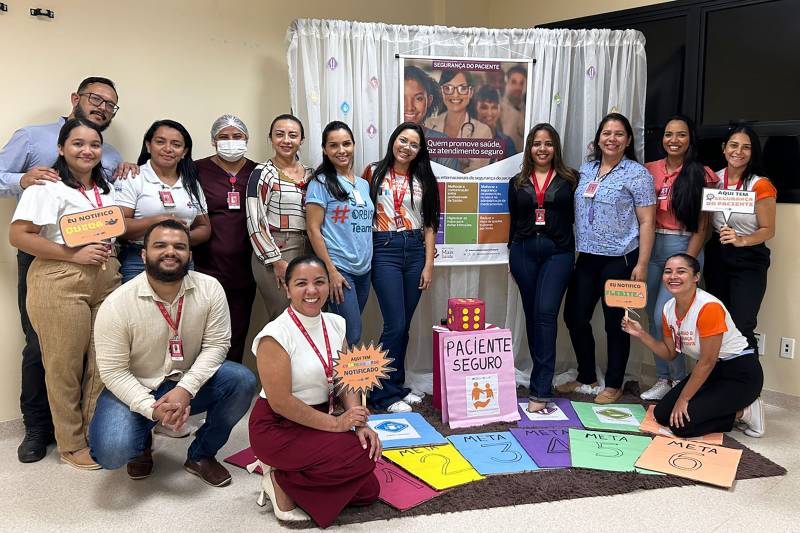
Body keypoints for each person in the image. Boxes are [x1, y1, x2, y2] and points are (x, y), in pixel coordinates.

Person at [0, 76, 135, 463]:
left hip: (105, 278)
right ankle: (70, 443)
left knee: (102, 361)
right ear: (61, 148)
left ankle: (94, 433)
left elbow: (120, 222)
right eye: (77, 144)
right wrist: (72, 255)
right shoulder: (46, 185)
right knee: (61, 364)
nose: (87, 150)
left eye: (94, 145)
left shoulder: (106, 189)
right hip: (59, 278)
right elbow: (19, 235)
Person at [89, 220, 257, 485]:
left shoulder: (210, 288)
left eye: (179, 246)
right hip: (137, 384)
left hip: (187, 380)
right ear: (144, 254)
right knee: (111, 452)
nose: (170, 252)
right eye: (160, 245)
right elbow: (114, 372)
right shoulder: (117, 304)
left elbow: (217, 345)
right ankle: (141, 443)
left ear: (189, 254)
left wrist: (185, 389)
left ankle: (201, 455)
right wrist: (152, 409)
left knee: (242, 380)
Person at [248, 255, 380, 526]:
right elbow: (281, 402)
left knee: (369, 489)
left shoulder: (335, 323)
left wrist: (358, 422)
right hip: (278, 425)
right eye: (301, 283)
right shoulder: (275, 334)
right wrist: (337, 425)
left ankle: (288, 475)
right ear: (287, 289)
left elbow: (344, 378)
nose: (312, 290)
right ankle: (279, 482)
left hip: (320, 415)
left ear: (329, 285)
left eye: (319, 282)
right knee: (358, 457)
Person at [559, 113, 656, 404]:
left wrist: (642, 263)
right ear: (598, 138)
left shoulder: (637, 174)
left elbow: (647, 222)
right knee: (574, 316)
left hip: (621, 259)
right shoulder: (586, 170)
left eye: (619, 134)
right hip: (587, 256)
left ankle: (614, 384)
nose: (612, 139)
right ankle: (587, 376)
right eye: (607, 133)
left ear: (628, 140)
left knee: (616, 324)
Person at [622, 253, 765, 438]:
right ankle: (727, 409)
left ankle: (745, 412)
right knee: (662, 414)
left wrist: (684, 399)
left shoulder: (709, 307)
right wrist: (641, 333)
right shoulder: (668, 308)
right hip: (712, 372)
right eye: (668, 271)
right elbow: (670, 354)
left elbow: (707, 361)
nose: (673, 276)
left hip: (740, 374)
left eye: (681, 271)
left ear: (696, 277)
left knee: (681, 426)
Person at [640, 115, 719, 401]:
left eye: (681, 134)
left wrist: (685, 262)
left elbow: (703, 227)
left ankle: (679, 380)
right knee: (652, 316)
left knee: (667, 316)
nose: (674, 140)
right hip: (652, 247)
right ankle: (664, 378)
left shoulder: (703, 174)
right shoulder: (649, 170)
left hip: (684, 246)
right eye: (669, 134)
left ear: (690, 139)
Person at [362, 122, 440, 413]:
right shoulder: (372, 172)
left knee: (404, 325)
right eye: (403, 140)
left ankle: (396, 385)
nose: (406, 147)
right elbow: (361, 213)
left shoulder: (424, 178)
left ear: (420, 150)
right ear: (393, 140)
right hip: (384, 249)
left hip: (415, 250)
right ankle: (380, 393)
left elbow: (430, 224)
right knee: (394, 324)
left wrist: (429, 264)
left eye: (414, 144)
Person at [508, 124, 577, 412]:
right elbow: (513, 219)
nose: (542, 149)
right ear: (529, 148)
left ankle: (540, 390)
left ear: (555, 148)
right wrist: (511, 253)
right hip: (524, 253)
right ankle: (540, 378)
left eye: (548, 143)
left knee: (546, 313)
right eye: (537, 143)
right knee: (532, 316)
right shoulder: (516, 182)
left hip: (558, 253)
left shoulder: (570, 179)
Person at [704, 124, 776, 351]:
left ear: (753, 152)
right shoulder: (713, 180)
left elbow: (768, 229)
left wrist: (742, 240)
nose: (738, 151)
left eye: (746, 147)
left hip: (749, 258)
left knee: (742, 325)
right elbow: (704, 222)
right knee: (715, 323)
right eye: (733, 145)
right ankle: (715, 371)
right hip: (717, 254)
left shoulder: (760, 184)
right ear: (724, 148)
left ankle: (747, 373)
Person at [193, 114, 257, 363]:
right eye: (224, 137)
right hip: (206, 266)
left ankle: (231, 382)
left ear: (246, 139)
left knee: (236, 332)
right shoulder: (196, 169)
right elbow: (161, 173)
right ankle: (200, 383)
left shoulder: (258, 172)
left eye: (237, 136)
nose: (231, 141)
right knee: (203, 334)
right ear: (213, 141)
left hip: (245, 268)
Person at [305, 121, 374, 346]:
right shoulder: (320, 183)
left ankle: (337, 370)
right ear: (325, 149)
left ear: (354, 145)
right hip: (340, 270)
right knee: (351, 334)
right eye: (333, 145)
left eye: (346, 144)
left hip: (364, 270)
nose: (341, 150)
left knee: (345, 334)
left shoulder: (363, 184)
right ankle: (339, 372)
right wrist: (331, 271)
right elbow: (313, 229)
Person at [116, 119, 210, 283]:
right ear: (148, 145)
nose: (168, 149)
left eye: (176, 144)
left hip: (181, 259)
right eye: (160, 142)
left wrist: (180, 237)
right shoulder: (132, 177)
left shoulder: (191, 183)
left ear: (184, 152)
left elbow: (204, 228)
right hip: (139, 259)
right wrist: (160, 221)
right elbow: (118, 226)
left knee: (183, 300)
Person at [246, 114, 313, 322]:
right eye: (279, 134)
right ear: (271, 138)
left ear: (301, 140)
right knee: (285, 317)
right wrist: (276, 261)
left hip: (309, 248)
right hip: (277, 249)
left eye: (293, 135)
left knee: (309, 314)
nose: (286, 140)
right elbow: (255, 221)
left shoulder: (312, 174)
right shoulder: (263, 173)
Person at [425, 69, 492, 172]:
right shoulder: (428, 124)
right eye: (448, 88)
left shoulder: (483, 131)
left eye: (462, 88)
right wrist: (461, 166)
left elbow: (474, 175)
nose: (455, 95)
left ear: (470, 92)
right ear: (442, 92)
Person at [403, 65, 460, 170]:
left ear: (429, 101)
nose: (409, 107)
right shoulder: (381, 137)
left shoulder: (443, 143)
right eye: (403, 98)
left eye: (418, 98)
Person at [475, 86, 518, 163]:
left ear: (499, 109)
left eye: (494, 107)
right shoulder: (465, 140)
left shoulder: (507, 143)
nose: (489, 113)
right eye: (484, 107)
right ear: (476, 109)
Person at [499, 65, 527, 152]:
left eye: (521, 83)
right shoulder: (498, 109)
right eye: (514, 82)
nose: (518, 88)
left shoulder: (527, 109)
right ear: (506, 83)